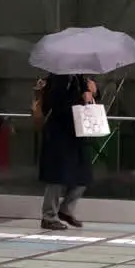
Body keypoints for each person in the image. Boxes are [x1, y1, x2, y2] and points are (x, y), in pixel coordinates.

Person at [35, 73, 97, 229]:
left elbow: (90, 98)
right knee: (57, 176)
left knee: (83, 175)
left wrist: (93, 92)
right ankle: (48, 216)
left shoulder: (80, 77)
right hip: (60, 134)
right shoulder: (57, 79)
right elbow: (53, 105)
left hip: (79, 132)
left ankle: (66, 210)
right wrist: (79, 98)